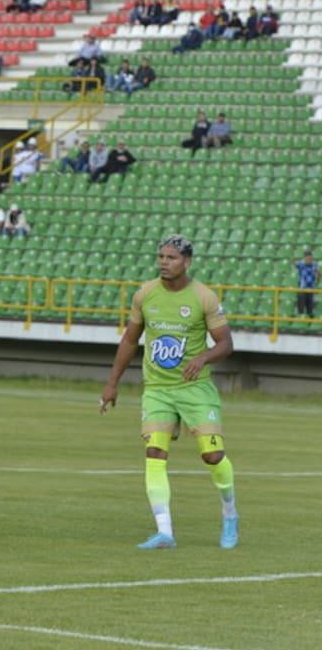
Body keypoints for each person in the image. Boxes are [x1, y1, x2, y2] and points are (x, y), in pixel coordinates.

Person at [100, 235, 239, 550]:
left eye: (172, 257)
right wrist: (112, 383)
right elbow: (129, 341)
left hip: (195, 389)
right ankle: (165, 531)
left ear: (187, 262)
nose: (164, 262)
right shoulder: (145, 294)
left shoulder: (203, 297)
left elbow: (226, 344)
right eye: (161, 256)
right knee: (154, 455)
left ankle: (230, 514)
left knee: (213, 455)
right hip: (158, 390)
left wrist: (203, 357)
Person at [293, 250, 319, 317]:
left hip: (311, 289)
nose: (309, 259)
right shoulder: (301, 264)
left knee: (310, 309)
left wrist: (317, 275)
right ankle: (300, 321)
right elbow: (295, 263)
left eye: (310, 257)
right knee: (300, 308)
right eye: (307, 257)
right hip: (302, 289)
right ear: (304, 257)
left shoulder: (314, 265)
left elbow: (317, 274)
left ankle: (309, 322)